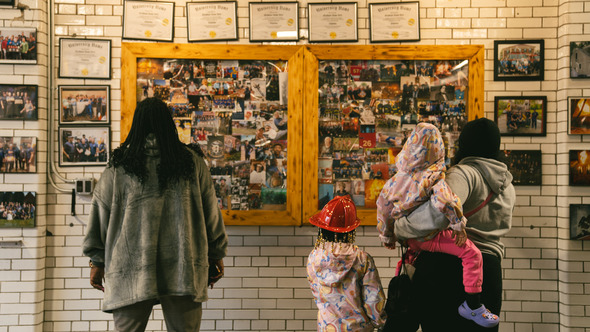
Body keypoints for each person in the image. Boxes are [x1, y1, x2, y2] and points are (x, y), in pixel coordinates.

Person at [82, 98, 228, 332]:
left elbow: (99, 217)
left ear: (136, 124)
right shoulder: (192, 162)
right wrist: (216, 255)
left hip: (129, 270)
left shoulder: (119, 166)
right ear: (168, 124)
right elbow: (212, 215)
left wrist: (96, 261)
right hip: (184, 269)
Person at [391, 118, 516, 332]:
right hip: (490, 272)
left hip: (451, 270)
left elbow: (439, 214)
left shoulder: (464, 173)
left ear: (465, 144)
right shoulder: (507, 185)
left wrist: (400, 228)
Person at [307, 195, 386, 332]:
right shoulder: (362, 259)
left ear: (322, 228)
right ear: (351, 230)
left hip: (327, 328)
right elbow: (373, 300)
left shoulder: (313, 258)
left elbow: (317, 294)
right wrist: (379, 323)